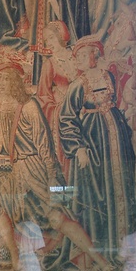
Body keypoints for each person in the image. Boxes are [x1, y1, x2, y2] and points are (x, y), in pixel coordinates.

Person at [0, 63, 115, 271]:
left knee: (57, 218)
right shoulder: (13, 108)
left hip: (36, 169)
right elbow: (10, 144)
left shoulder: (29, 106)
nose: (1, 83)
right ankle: (16, 264)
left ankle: (104, 266)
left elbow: (43, 144)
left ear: (15, 81)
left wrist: (52, 176)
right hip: (19, 170)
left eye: (6, 79)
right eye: (0, 80)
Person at [59, 36, 136, 264]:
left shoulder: (108, 76)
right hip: (93, 143)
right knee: (98, 193)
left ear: (94, 55)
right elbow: (66, 118)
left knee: (120, 187)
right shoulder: (78, 85)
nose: (79, 60)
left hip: (117, 139)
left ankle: (123, 247)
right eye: (78, 57)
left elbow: (117, 103)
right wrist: (78, 148)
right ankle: (99, 253)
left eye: (84, 55)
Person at [37, 21, 78, 180]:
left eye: (51, 38)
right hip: (62, 115)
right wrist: (57, 109)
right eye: (46, 40)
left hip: (83, 109)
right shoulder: (49, 64)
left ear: (61, 35)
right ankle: (66, 189)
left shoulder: (77, 55)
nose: (48, 43)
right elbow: (43, 95)